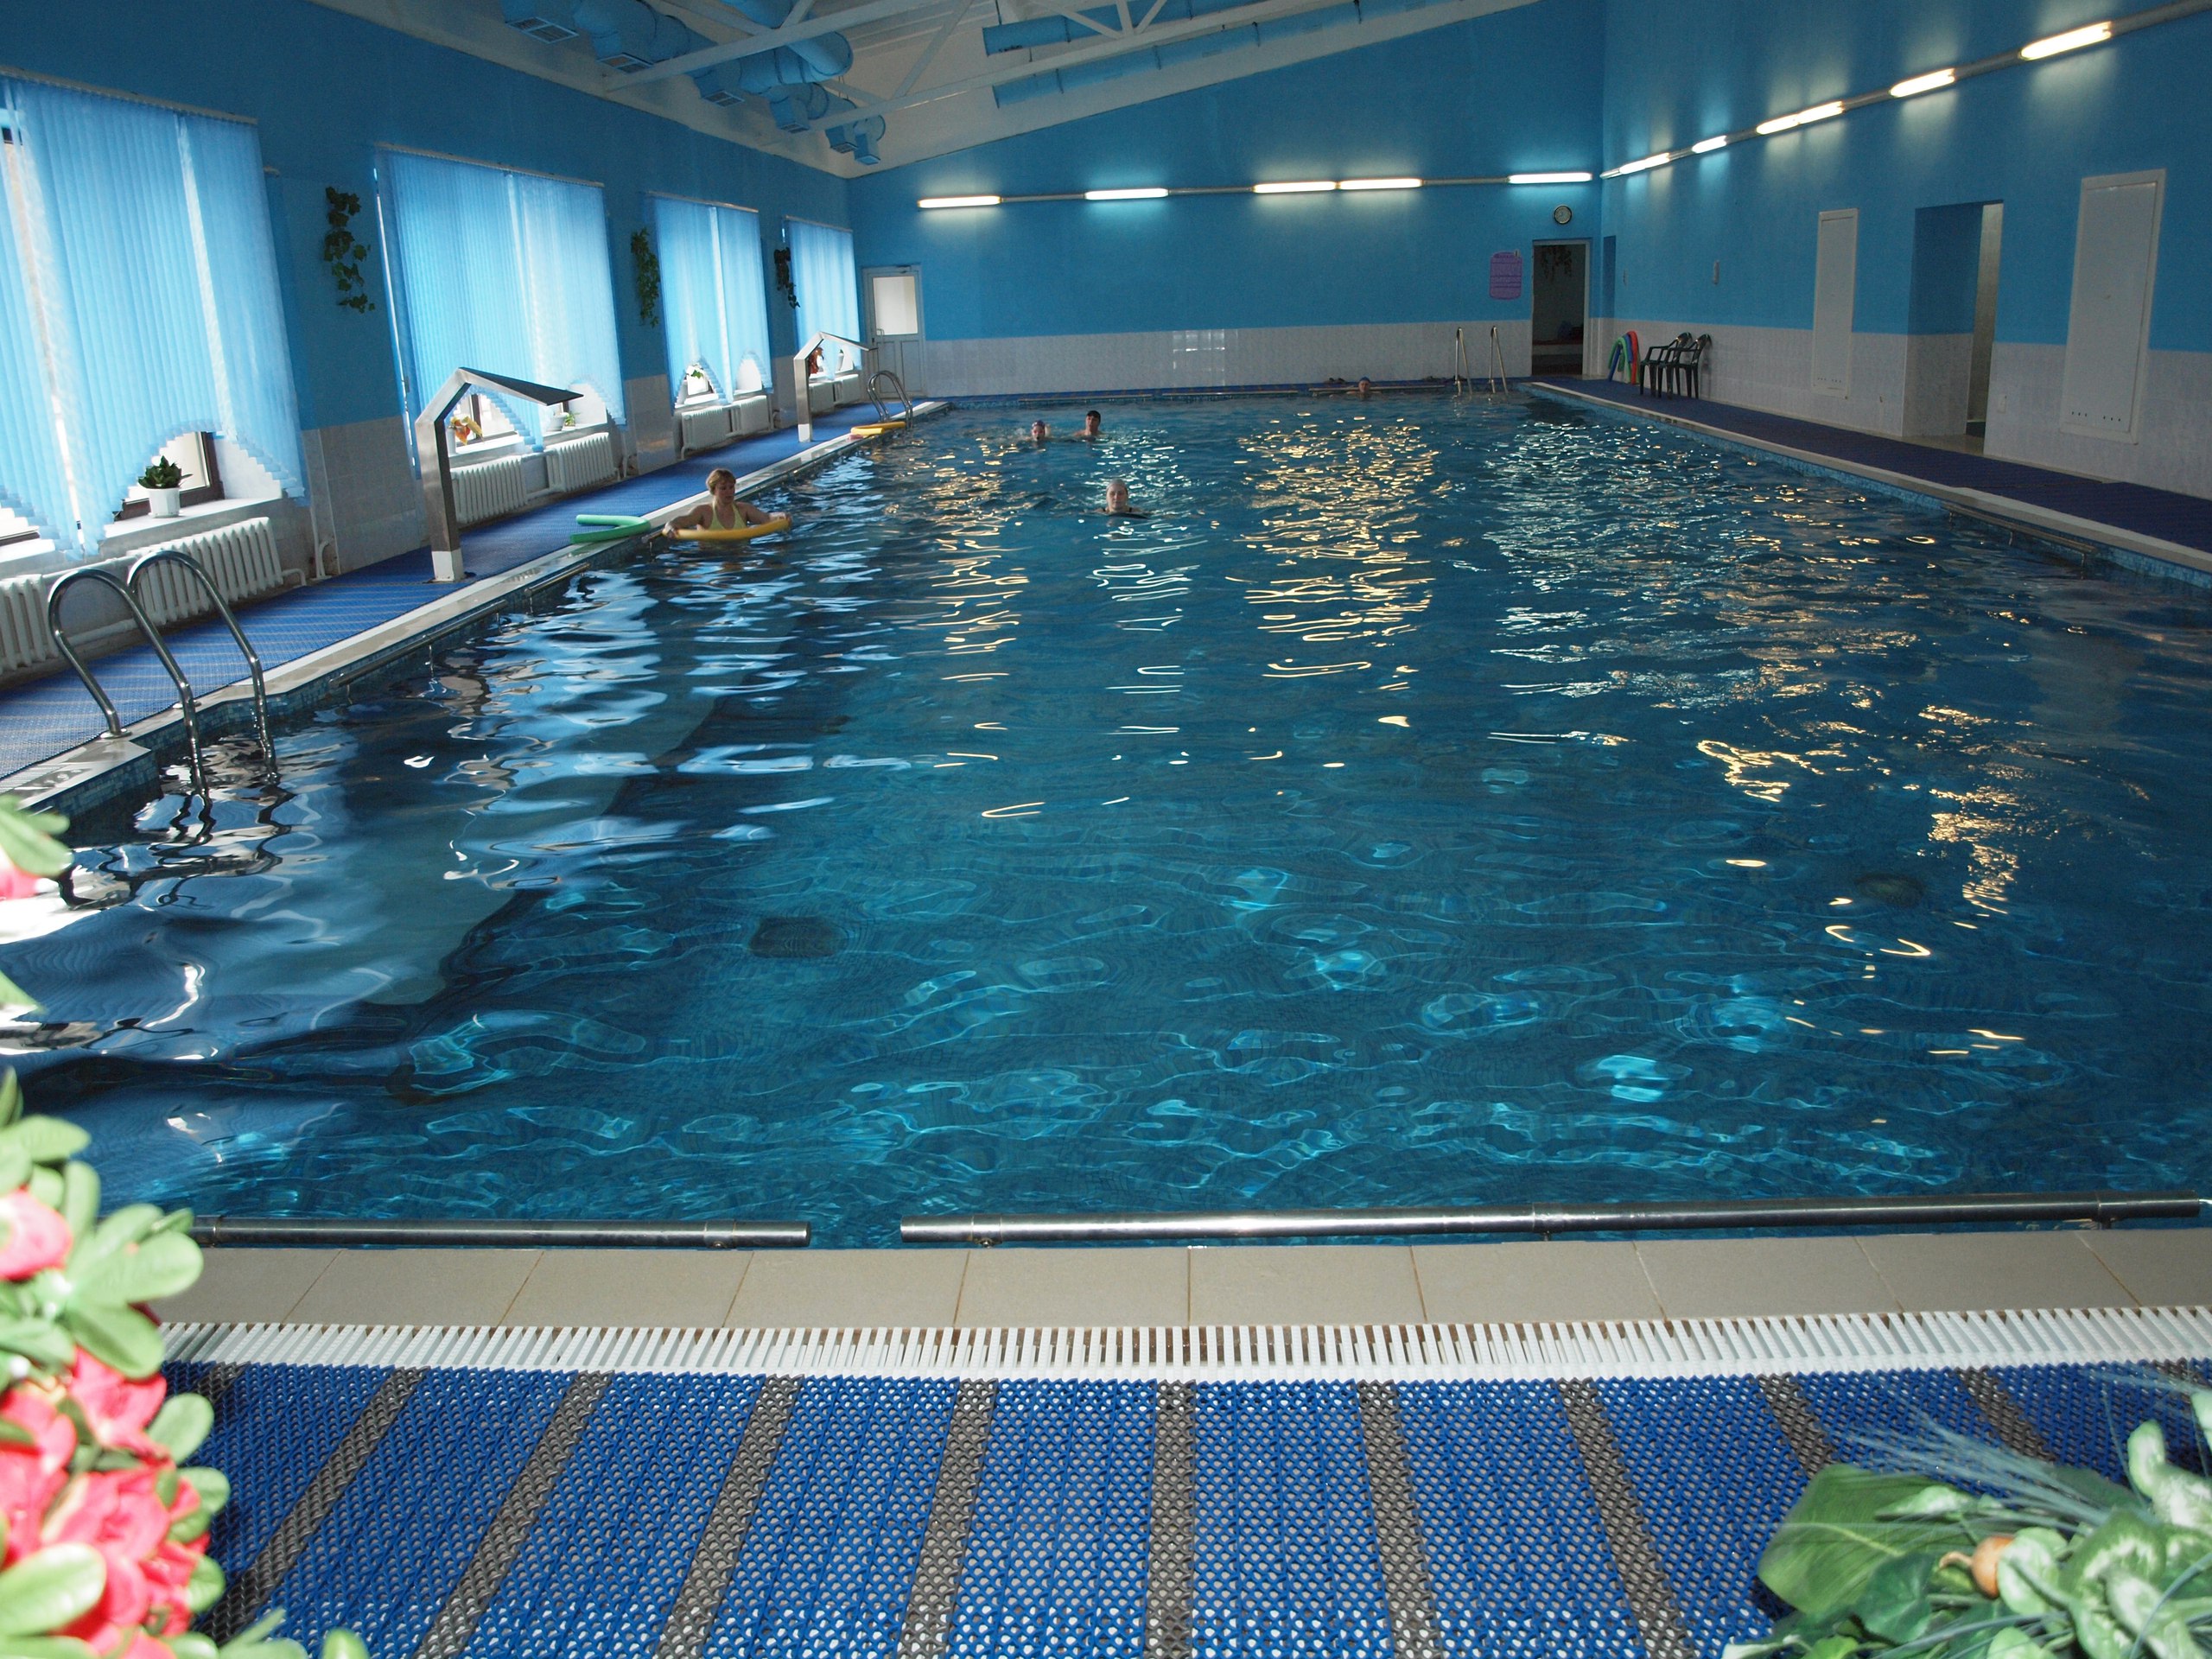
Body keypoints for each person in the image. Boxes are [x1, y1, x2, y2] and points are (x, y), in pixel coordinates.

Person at [668, 467, 779, 534]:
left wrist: (780, 515)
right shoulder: (703, 512)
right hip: (712, 559)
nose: (729, 492)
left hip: (740, 555)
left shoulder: (744, 509)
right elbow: (683, 520)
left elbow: (767, 518)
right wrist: (671, 525)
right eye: (723, 488)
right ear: (713, 490)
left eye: (731, 487)